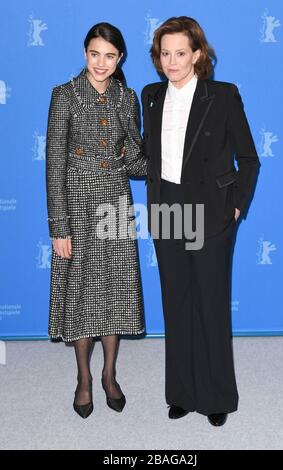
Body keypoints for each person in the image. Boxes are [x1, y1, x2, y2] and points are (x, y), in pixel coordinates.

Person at [141, 16, 260, 426]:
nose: (171, 61)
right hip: (167, 208)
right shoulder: (151, 96)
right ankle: (182, 392)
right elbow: (149, 155)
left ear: (197, 54)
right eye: (164, 53)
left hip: (211, 210)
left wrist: (236, 206)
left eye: (180, 53)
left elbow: (249, 158)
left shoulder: (222, 95)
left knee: (210, 304)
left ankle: (217, 396)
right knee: (177, 303)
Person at [46, 22, 147, 419]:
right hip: (77, 204)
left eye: (109, 55)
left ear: (120, 58)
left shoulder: (128, 97)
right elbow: (54, 166)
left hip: (116, 203)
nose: (101, 63)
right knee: (82, 296)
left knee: (115, 292)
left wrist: (171, 158)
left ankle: (109, 375)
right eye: (94, 53)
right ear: (85, 53)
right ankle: (83, 380)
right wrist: (60, 226)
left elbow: (137, 160)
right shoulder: (65, 96)